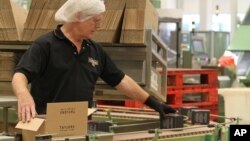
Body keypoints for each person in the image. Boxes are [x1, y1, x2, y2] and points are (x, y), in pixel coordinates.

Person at [12, 0, 175, 123]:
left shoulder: (95, 50)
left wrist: (153, 103)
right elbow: (20, 75)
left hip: (81, 126)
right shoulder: (46, 45)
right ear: (77, 17)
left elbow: (120, 80)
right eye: (95, 21)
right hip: (47, 126)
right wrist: (23, 93)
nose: (100, 26)